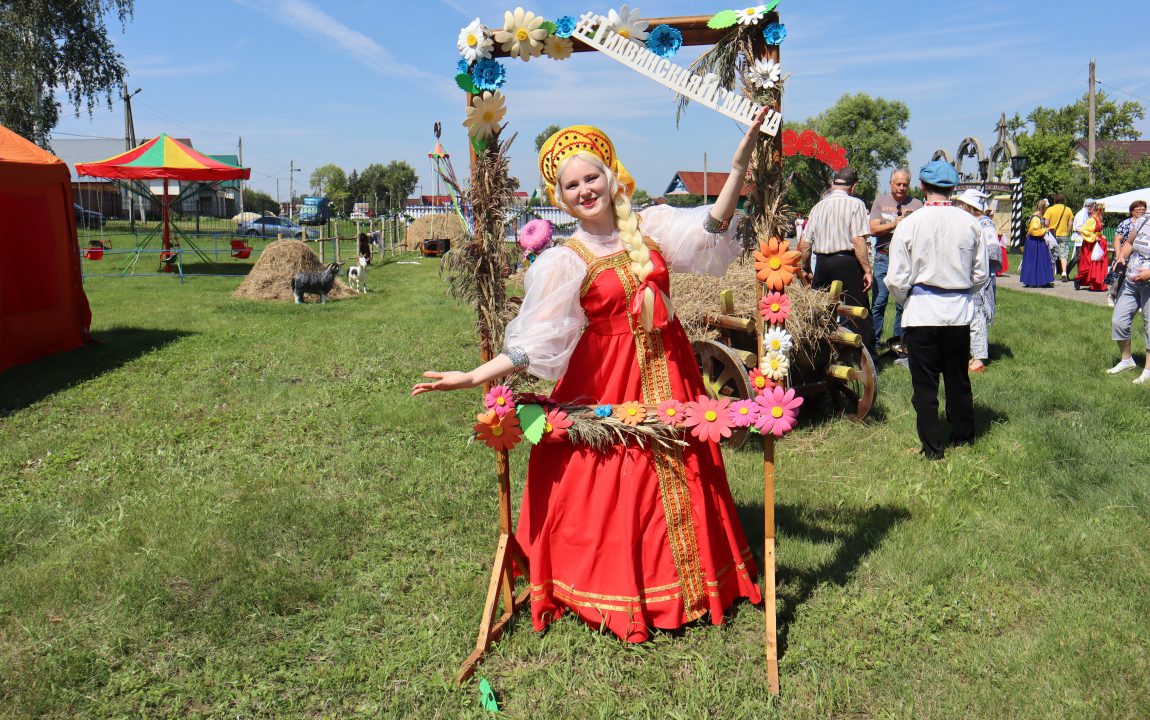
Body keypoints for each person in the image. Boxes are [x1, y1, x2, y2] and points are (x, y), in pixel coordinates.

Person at [413, 112, 771, 641]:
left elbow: (711, 227)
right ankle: (618, 588)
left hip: (670, 371)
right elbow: (535, 343)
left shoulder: (649, 227)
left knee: (681, 470)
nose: (585, 190)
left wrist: (738, 167)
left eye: (591, 177)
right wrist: (473, 376)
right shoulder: (564, 260)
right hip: (607, 381)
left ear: (610, 175)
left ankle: (695, 583)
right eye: (571, 184)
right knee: (617, 480)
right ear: (560, 196)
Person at [885, 160, 988, 460]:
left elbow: (895, 278)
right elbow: (980, 274)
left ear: (921, 187)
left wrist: (909, 300)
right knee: (958, 378)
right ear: (953, 188)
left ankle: (932, 448)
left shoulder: (909, 224)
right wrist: (960, 292)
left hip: (921, 313)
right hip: (957, 313)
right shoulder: (970, 223)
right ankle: (963, 437)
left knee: (925, 384)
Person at [800, 167, 875, 357]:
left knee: (821, 313)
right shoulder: (856, 204)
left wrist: (806, 268)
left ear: (833, 184)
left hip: (823, 264)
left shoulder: (817, 207)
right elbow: (858, 240)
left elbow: (805, 243)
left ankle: (819, 355)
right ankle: (865, 357)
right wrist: (867, 270)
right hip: (847, 263)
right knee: (858, 311)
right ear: (854, 186)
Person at [869, 169, 923, 356]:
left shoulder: (917, 204)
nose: (901, 187)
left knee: (903, 303)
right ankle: (874, 343)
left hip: (906, 260)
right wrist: (894, 224)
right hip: (883, 256)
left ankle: (899, 342)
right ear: (890, 183)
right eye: (898, 184)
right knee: (879, 302)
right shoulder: (880, 201)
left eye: (905, 184)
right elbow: (873, 228)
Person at [953, 189, 999, 372]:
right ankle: (971, 354)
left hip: (981, 279)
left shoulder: (985, 224)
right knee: (970, 316)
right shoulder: (973, 223)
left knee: (977, 316)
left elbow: (994, 253)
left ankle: (978, 359)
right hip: (971, 276)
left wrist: (976, 265)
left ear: (969, 207)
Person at [1107, 199, 1150, 384]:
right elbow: (1130, 242)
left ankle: (1148, 370)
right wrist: (1121, 256)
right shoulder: (1143, 220)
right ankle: (1127, 360)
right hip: (1132, 281)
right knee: (1119, 321)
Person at [1109, 200, 1148, 307]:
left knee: (1136, 278)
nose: (1141, 210)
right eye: (1138, 208)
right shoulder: (1126, 223)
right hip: (1125, 254)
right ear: (1132, 210)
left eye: (1143, 208)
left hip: (1138, 258)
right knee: (1120, 278)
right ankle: (1112, 296)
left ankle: (1137, 302)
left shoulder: (1145, 222)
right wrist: (1118, 254)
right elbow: (1117, 240)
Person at [1019, 198, 1054, 288]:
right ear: (1043, 207)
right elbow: (1034, 230)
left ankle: (1041, 280)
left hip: (1038, 240)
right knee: (1034, 260)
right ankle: (1033, 280)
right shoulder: (1036, 217)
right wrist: (1045, 230)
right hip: (1034, 241)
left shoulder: (1039, 216)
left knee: (1040, 260)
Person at [1074, 202, 1109, 292]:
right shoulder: (1092, 220)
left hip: (1098, 243)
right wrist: (1094, 237)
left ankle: (1095, 284)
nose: (1101, 212)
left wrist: (1101, 236)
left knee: (1097, 264)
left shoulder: (1098, 219)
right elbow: (1083, 230)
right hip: (1091, 244)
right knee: (1088, 264)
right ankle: (1078, 279)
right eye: (1100, 210)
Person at [1044, 193, 1075, 282]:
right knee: (1063, 254)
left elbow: (1046, 223)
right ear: (1063, 200)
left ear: (1054, 200)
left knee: (1051, 253)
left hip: (1052, 235)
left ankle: (1051, 273)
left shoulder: (1050, 210)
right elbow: (1070, 224)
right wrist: (1067, 232)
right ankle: (1064, 273)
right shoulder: (1068, 210)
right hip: (1063, 235)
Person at [1068, 197, 1096, 278]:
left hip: (1084, 238)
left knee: (1080, 257)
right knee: (1078, 256)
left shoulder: (1086, 213)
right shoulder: (1082, 214)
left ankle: (1079, 275)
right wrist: (1089, 234)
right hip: (1081, 238)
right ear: (1091, 206)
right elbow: (1079, 227)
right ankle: (1066, 271)